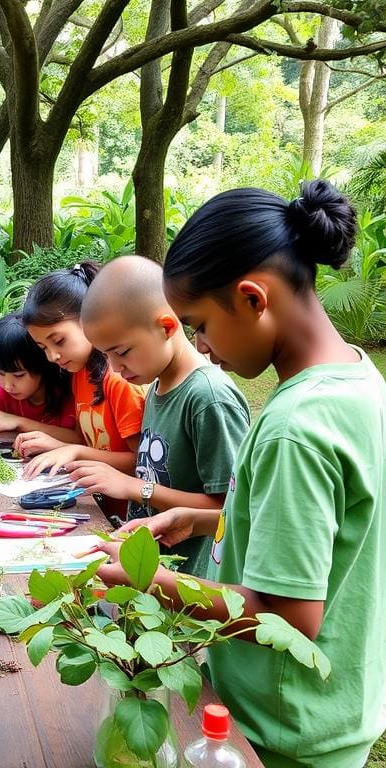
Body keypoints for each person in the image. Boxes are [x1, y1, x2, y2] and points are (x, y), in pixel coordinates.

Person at [100, 181, 386, 767]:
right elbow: (326, 535)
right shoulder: (356, 381)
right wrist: (204, 519)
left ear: (254, 299)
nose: (201, 346)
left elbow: (288, 615)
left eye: (199, 323)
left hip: (281, 726)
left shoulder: (294, 427)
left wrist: (147, 581)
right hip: (333, 704)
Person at [62, 256, 250, 576]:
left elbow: (230, 510)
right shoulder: (157, 385)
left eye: (120, 352)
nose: (114, 368)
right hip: (151, 574)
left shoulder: (208, 397)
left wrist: (133, 487)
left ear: (166, 326)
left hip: (193, 586)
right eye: (104, 355)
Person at [19, 263, 146, 518]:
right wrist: (55, 444)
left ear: (90, 320)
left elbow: (140, 464)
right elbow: (87, 438)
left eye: (59, 341)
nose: (53, 356)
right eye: (43, 347)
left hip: (132, 514)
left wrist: (74, 452)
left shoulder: (119, 381)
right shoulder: (79, 375)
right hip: (99, 507)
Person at [0, 313, 79, 445]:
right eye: (0, 373)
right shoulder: (1, 390)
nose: (8, 385)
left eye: (19, 375)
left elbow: (79, 439)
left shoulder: (67, 391)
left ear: (42, 365)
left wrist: (20, 423)